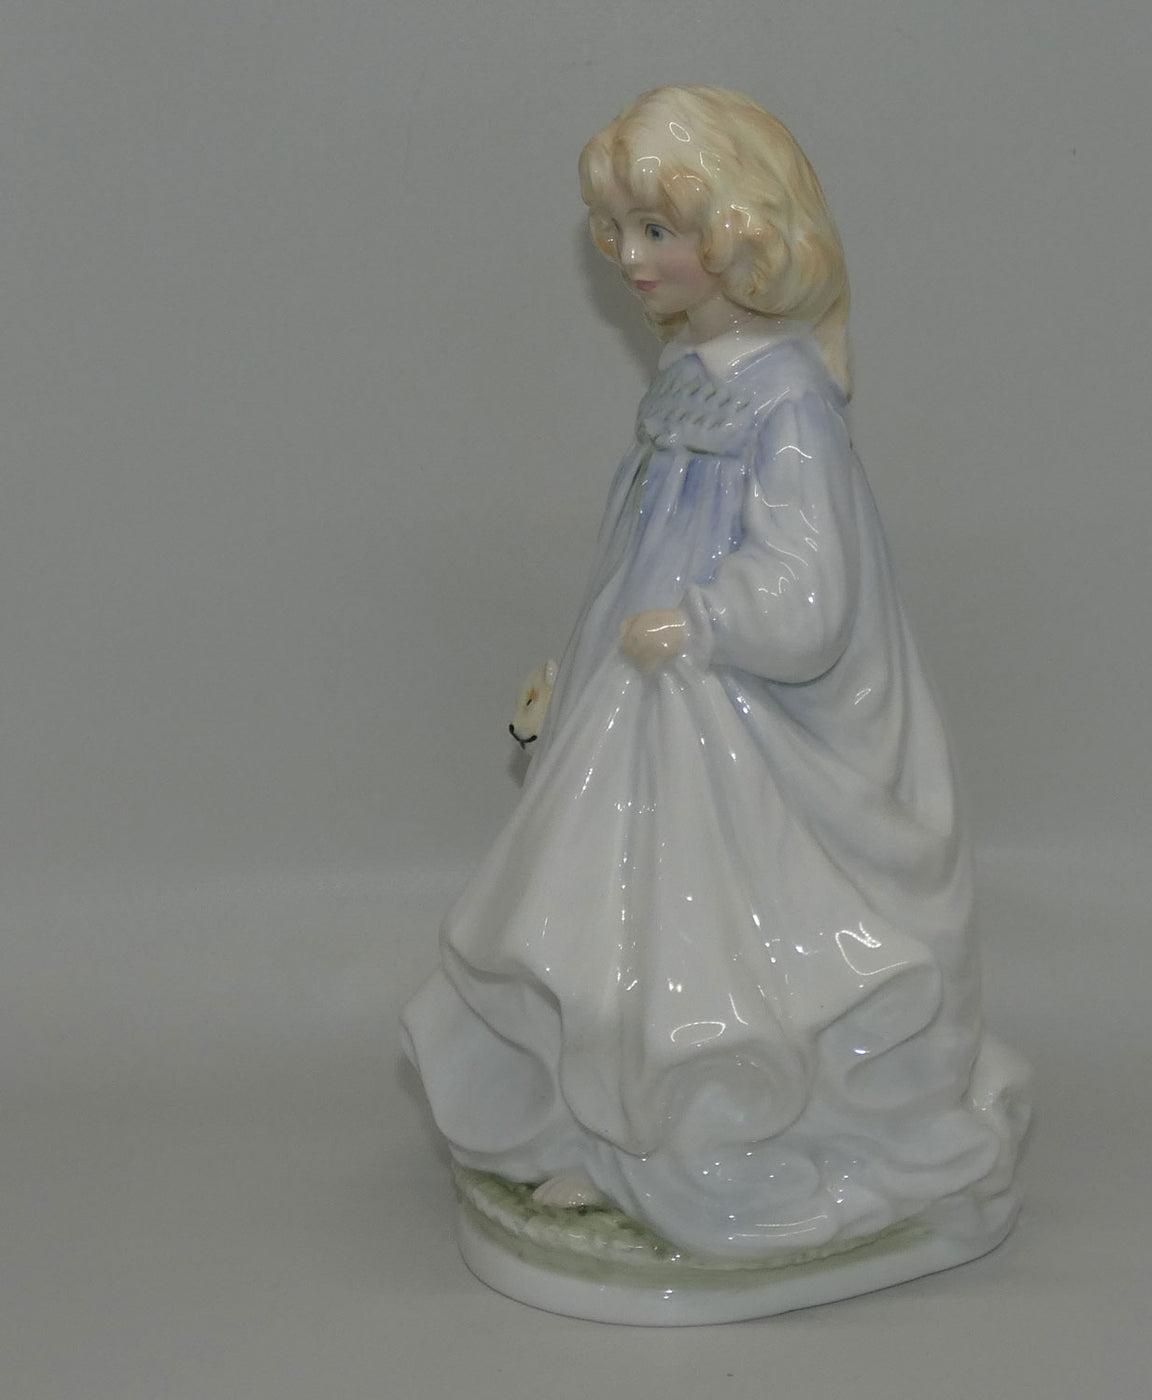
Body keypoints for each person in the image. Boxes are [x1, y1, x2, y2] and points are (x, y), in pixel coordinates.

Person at [401, 86, 1027, 1267]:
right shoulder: (690, 371)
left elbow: (812, 594)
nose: (631, 259)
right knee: (599, 900)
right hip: (650, 689)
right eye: (619, 232)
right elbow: (635, 548)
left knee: (689, 919)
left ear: (737, 233)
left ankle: (699, 1130)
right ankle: (603, 1120)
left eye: (659, 230)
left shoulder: (787, 403)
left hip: (732, 715)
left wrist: (701, 622)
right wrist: (593, 657)